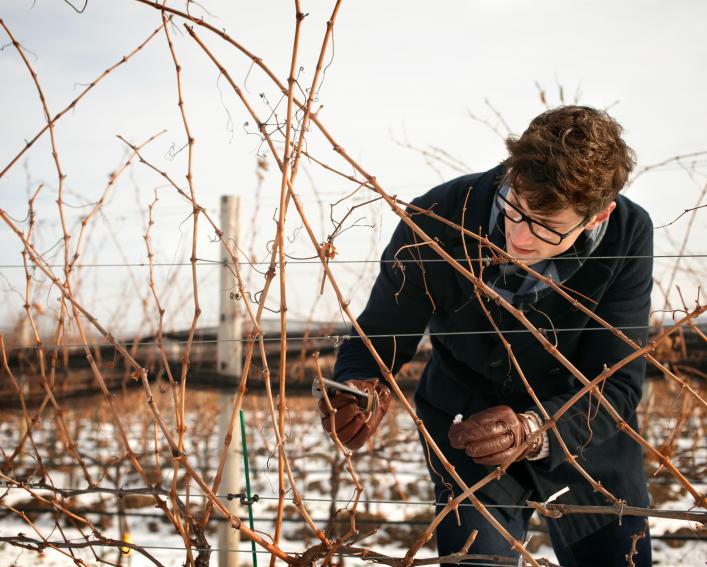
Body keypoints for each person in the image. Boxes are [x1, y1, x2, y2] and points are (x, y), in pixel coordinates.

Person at [319, 106, 654, 566]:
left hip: (583, 435)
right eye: (515, 208)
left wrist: (537, 430)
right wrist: (357, 385)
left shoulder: (627, 235)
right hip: (467, 429)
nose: (519, 237)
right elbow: (381, 331)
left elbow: (616, 382)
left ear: (596, 219)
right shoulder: (437, 217)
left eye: (547, 226)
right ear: (512, 172)